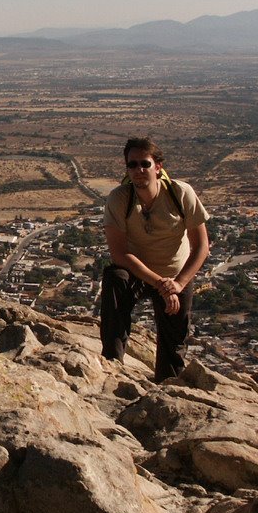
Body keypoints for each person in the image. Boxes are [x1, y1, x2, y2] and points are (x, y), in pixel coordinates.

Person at [99, 137, 210, 381]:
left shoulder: (180, 194)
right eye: (132, 165)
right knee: (114, 277)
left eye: (145, 164)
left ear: (158, 166)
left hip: (175, 276)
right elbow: (119, 254)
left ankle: (167, 386)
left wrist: (178, 284)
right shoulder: (120, 198)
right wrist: (160, 283)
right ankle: (111, 365)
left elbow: (201, 247)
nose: (139, 170)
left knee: (174, 345)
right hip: (139, 273)